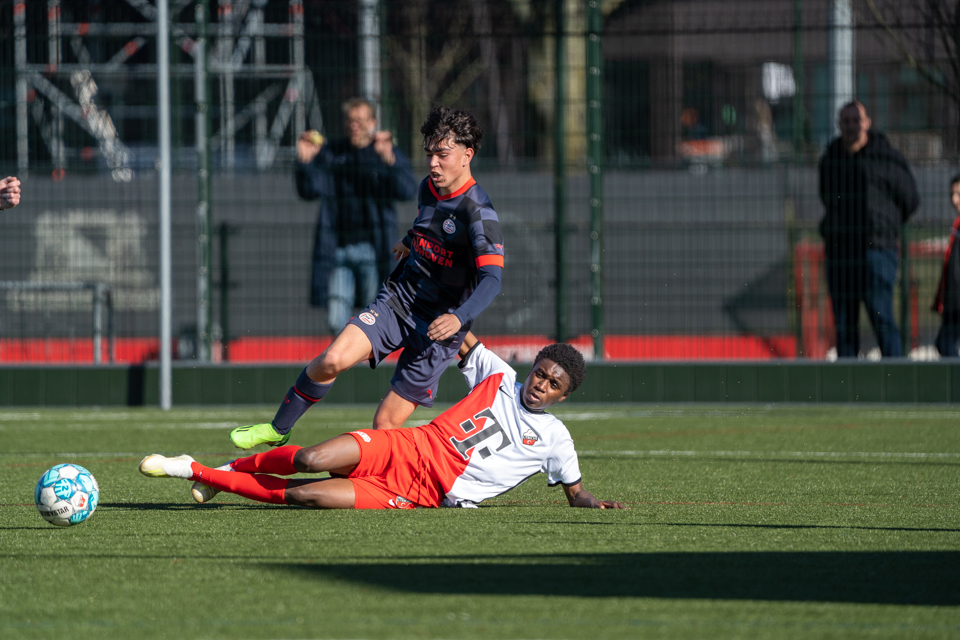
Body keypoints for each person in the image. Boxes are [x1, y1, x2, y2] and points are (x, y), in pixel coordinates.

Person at [229, 105, 505, 448]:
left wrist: (458, 317)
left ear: (467, 155)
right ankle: (278, 429)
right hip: (399, 302)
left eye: (442, 155)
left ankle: (397, 486)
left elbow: (493, 277)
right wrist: (411, 240)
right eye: (429, 154)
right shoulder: (428, 187)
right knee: (331, 359)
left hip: (437, 331)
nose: (433, 163)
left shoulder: (479, 212)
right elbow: (432, 226)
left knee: (385, 425)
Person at [140, 334, 624, 511]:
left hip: (422, 494)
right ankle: (231, 468)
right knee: (311, 458)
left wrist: (592, 501)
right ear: (533, 366)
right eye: (541, 373)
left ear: (564, 394)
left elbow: (574, 490)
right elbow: (457, 331)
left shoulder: (556, 438)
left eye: (553, 384)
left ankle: (197, 470)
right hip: (406, 447)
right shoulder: (498, 375)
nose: (541, 384)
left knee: (307, 496)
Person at [296, 98, 417, 332]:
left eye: (360, 121)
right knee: (335, 319)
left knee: (373, 318)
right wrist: (305, 161)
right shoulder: (332, 153)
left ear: (373, 123)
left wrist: (389, 160)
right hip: (338, 249)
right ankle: (347, 363)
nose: (354, 126)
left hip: (374, 250)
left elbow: (407, 190)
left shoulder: (382, 152)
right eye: (350, 121)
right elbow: (309, 190)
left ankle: (367, 365)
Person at [818, 100, 920, 358]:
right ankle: (847, 388)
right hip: (841, 252)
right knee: (844, 325)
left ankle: (896, 381)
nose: (852, 126)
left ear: (867, 123)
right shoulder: (830, 159)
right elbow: (826, 197)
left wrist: (885, 225)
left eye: (857, 120)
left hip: (877, 250)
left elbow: (910, 199)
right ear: (839, 125)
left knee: (882, 317)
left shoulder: (887, 157)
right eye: (847, 121)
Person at [932, 173, 960, 358]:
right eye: (952, 194)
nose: (954, 199)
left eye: (958, 194)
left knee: (945, 343)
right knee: (944, 343)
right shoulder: (957, 225)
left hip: (957, 300)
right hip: (953, 298)